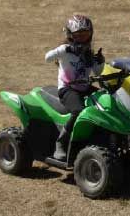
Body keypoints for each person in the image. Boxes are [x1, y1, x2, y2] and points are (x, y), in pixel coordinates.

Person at [44, 13, 105, 161]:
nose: (82, 37)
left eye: (86, 34)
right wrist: (65, 50)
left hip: (85, 87)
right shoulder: (65, 49)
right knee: (78, 111)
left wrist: (100, 61)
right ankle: (61, 142)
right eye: (78, 35)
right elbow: (47, 58)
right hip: (67, 89)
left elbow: (97, 72)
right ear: (71, 35)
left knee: (106, 102)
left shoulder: (88, 53)